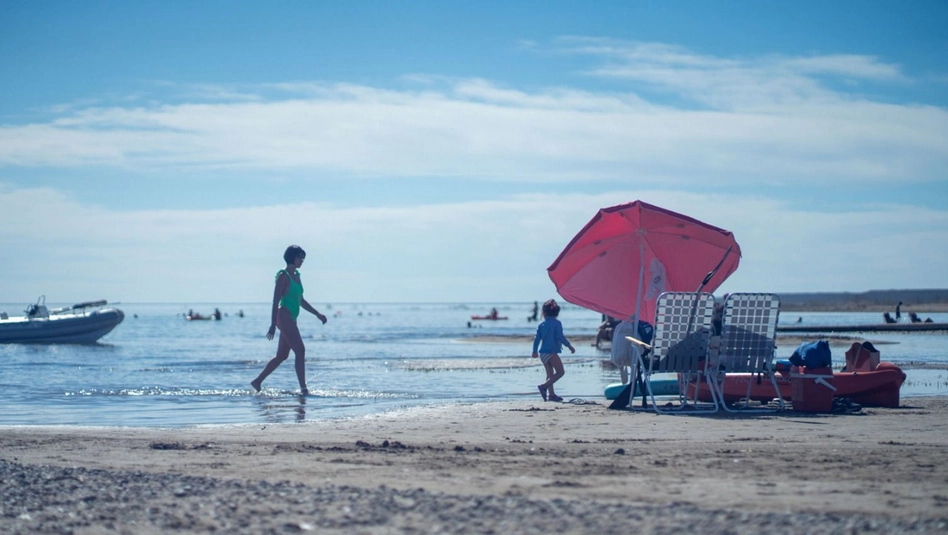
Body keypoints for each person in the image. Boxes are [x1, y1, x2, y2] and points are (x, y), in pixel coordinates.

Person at [251, 245, 328, 395]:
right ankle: (304, 388)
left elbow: (301, 300)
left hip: (292, 318)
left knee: (282, 356)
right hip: (284, 316)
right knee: (300, 350)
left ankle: (257, 381)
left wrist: (317, 314)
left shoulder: (297, 276)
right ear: (292, 257)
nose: (302, 261)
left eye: (303, 258)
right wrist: (273, 324)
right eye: (300, 257)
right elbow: (275, 301)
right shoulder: (283, 276)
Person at [531, 299, 575, 402]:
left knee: (550, 375)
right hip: (551, 352)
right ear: (557, 313)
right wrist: (569, 346)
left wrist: (534, 351)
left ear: (543, 312)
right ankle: (544, 386)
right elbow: (560, 336)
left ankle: (551, 395)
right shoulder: (557, 323)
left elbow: (537, 338)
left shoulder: (541, 324)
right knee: (560, 372)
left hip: (543, 353)